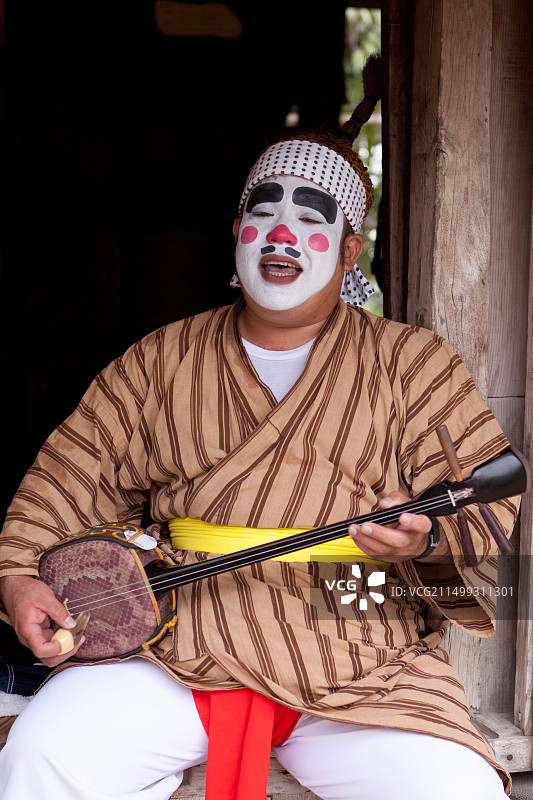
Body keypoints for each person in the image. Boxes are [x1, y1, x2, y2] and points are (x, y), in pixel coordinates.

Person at [0, 57, 520, 799]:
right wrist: (20, 578)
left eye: (310, 220)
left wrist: (426, 540)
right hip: (178, 634)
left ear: (349, 251)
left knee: (453, 789)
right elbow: (66, 479)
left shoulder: (413, 363)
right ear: (236, 234)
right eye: (263, 213)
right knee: (44, 755)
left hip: (359, 642)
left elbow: (490, 504)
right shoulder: (161, 358)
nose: (281, 234)